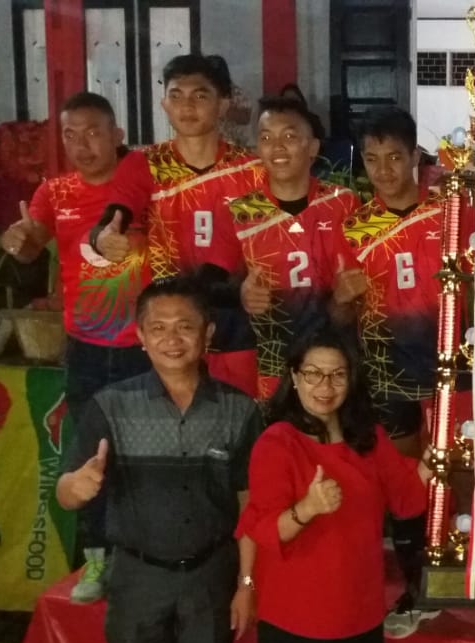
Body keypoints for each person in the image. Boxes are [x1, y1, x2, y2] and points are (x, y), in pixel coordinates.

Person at [56, 276, 262, 643]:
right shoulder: (111, 405)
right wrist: (78, 487)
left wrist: (246, 583)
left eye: (185, 327)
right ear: (140, 337)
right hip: (137, 577)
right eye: (159, 328)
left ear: (207, 334)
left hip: (210, 576)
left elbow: (250, 507)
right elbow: (65, 490)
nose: (173, 339)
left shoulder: (239, 411)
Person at [236, 327, 430, 643]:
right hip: (295, 607)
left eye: (337, 375)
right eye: (313, 374)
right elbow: (264, 528)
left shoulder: (370, 439)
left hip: (358, 601)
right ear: (294, 377)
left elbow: (407, 501)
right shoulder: (277, 442)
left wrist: (434, 464)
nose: (325, 387)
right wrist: (307, 508)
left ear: (352, 378)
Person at [2, 91, 152, 603]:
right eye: (70, 135)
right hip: (85, 350)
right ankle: (93, 563)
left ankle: (142, 560)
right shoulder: (54, 191)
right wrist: (20, 241)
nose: (82, 145)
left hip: (144, 351)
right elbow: (30, 242)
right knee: (88, 459)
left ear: (117, 135)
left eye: (93, 133)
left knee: (144, 459)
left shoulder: (142, 183)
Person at [336, 107, 446, 636]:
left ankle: (468, 580)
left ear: (415, 156)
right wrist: (342, 298)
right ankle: (417, 588)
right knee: (403, 484)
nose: (383, 170)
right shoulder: (355, 227)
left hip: (451, 368)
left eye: (394, 157)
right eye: (372, 159)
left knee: (458, 475)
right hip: (387, 371)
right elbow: (340, 315)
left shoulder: (450, 213)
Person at [93, 53, 261, 396]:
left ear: (223, 104)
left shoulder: (252, 170)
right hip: (170, 324)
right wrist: (103, 238)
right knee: (169, 414)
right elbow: (113, 217)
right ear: (164, 104)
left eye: (200, 95)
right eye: (176, 95)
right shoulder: (144, 163)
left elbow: (254, 244)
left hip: (234, 319)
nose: (187, 106)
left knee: (239, 414)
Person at [229, 95, 358, 401]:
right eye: (266, 138)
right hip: (271, 362)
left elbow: (357, 291)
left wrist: (344, 299)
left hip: (332, 360)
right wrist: (242, 292)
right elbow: (227, 280)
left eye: (289, 137)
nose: (276, 147)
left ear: (312, 147)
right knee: (276, 428)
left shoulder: (343, 202)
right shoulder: (240, 211)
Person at [209, 55, 254, 148]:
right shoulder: (203, 93)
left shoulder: (236, 92)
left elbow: (246, 118)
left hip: (234, 146)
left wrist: (226, 110)